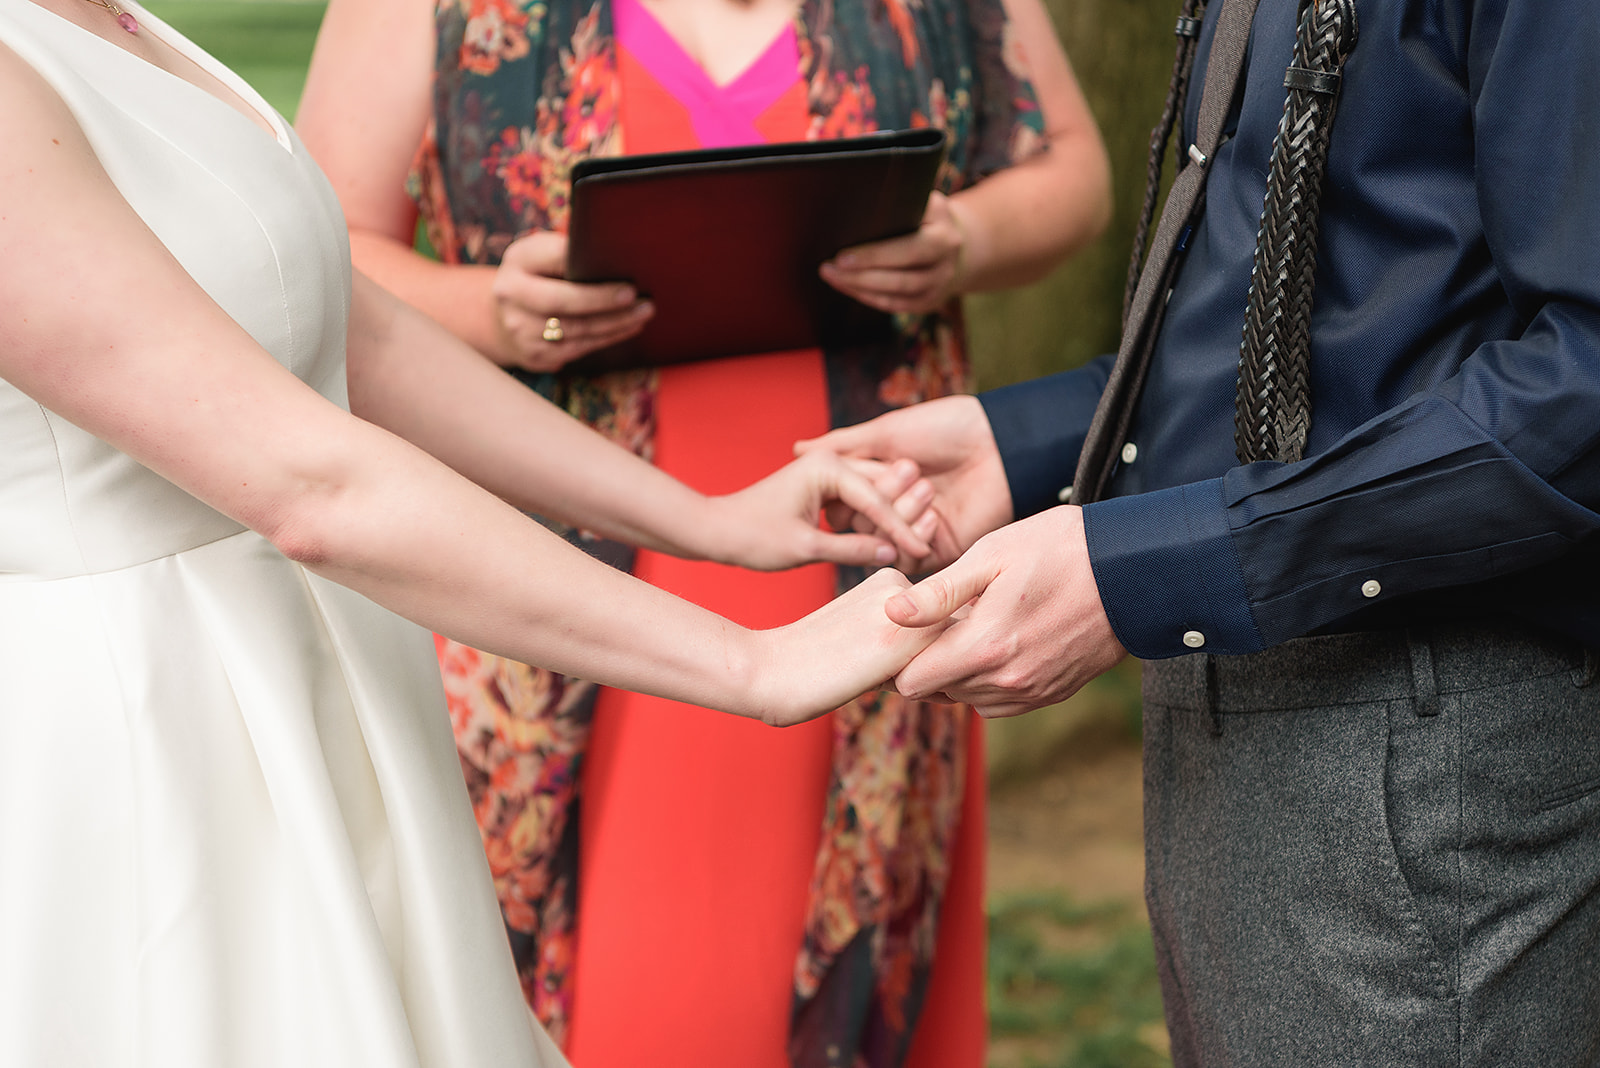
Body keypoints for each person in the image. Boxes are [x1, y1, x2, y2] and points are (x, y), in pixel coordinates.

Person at [0, 0, 950, 1063]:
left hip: (331, 685)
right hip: (156, 734)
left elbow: (356, 331)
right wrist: (750, 661)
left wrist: (702, 521)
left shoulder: (114, 21)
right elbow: (310, 485)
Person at [294, 1, 1111, 1065]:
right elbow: (315, 255)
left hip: (871, 554)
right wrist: (486, 308)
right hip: (553, 575)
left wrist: (970, 236)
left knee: (830, 959)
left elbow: (1075, 170)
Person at [804, 0, 1600, 1064]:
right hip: (1234, 703)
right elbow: (1294, 314)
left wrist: (1154, 570)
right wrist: (1023, 444)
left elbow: (1584, 378)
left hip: (1423, 741)